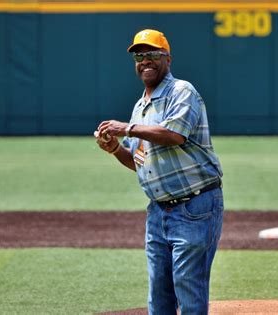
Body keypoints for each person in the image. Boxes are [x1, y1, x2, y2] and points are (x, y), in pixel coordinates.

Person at [95, 29, 223, 315]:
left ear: (168, 59)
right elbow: (140, 161)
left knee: (189, 289)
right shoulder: (140, 107)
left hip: (195, 206)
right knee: (159, 294)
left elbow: (174, 135)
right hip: (158, 213)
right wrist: (116, 149)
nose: (145, 61)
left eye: (153, 54)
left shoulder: (182, 91)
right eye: (140, 56)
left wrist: (126, 129)